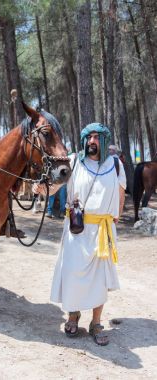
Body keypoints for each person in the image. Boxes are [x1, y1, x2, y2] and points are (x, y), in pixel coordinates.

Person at [34, 123, 126, 346]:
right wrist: (42, 188)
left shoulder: (114, 165)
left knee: (100, 279)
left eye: (96, 138)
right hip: (77, 229)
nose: (92, 141)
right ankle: (73, 315)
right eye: (89, 137)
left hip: (102, 231)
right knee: (73, 273)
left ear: (104, 141)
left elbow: (121, 193)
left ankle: (96, 323)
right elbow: (55, 186)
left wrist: (116, 218)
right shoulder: (74, 161)